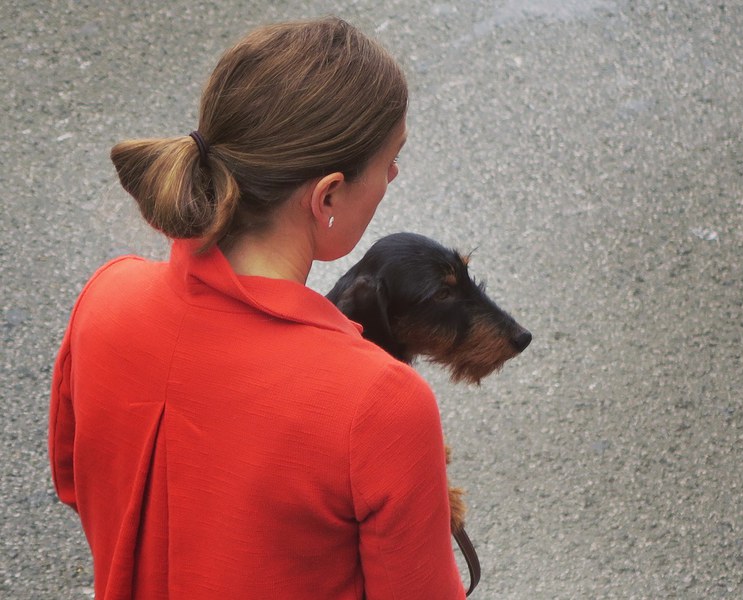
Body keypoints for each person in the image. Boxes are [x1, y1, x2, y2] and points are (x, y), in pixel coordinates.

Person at [49, 17, 465, 599]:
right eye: (390, 160)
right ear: (327, 194)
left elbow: (78, 484)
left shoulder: (106, 297)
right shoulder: (378, 401)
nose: (393, 175)